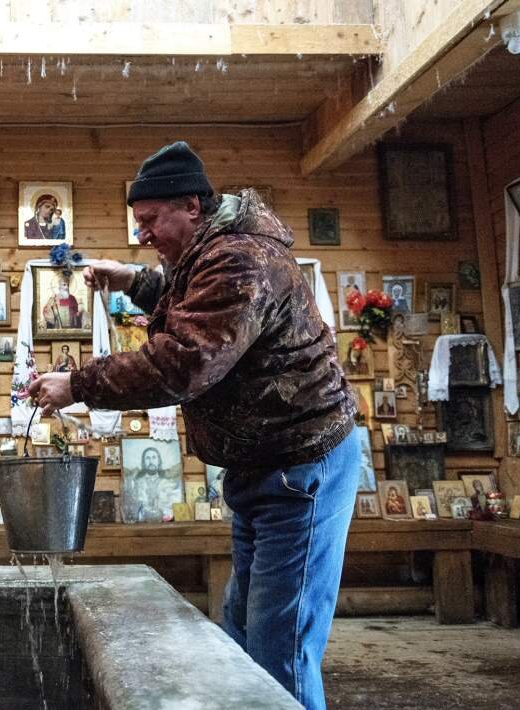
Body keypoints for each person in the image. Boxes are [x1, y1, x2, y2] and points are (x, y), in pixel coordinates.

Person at [26, 141, 357, 710]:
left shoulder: (239, 259)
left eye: (151, 220)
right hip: (265, 470)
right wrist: (134, 279)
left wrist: (77, 385)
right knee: (244, 641)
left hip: (300, 469)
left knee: (280, 654)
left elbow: (186, 358)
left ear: (193, 208)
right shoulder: (213, 254)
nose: (143, 234)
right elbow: (195, 303)